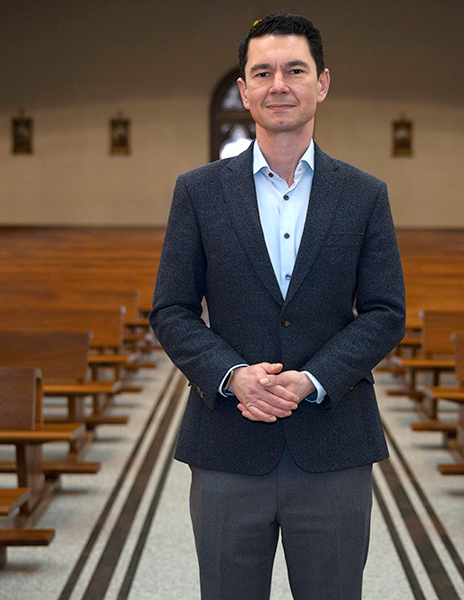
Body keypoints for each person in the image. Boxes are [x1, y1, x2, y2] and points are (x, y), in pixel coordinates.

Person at [150, 13, 406, 600]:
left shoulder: (364, 194)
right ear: (244, 90)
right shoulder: (198, 191)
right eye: (261, 72)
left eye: (295, 69)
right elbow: (172, 310)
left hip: (334, 441)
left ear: (321, 84)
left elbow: (386, 311)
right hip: (227, 445)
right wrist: (233, 376)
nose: (278, 85)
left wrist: (314, 379)